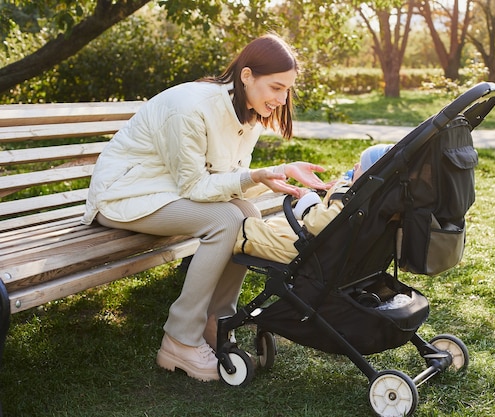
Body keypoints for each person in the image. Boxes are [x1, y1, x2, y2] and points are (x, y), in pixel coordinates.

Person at [81, 34, 330, 382]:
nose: (282, 98)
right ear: (246, 76)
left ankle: (217, 322)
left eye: (287, 89)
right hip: (123, 196)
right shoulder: (191, 108)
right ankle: (180, 339)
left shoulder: (249, 115)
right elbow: (195, 186)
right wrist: (256, 175)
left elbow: (227, 178)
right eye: (276, 87)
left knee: (248, 217)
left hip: (165, 193)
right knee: (227, 220)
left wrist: (272, 174)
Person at [234, 143, 393, 263]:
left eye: (361, 165)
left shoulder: (350, 200)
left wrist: (307, 201)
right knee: (275, 224)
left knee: (242, 230)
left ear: (369, 180)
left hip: (314, 254)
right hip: (336, 253)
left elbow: (323, 225)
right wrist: (340, 186)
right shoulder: (380, 202)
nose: (355, 165)